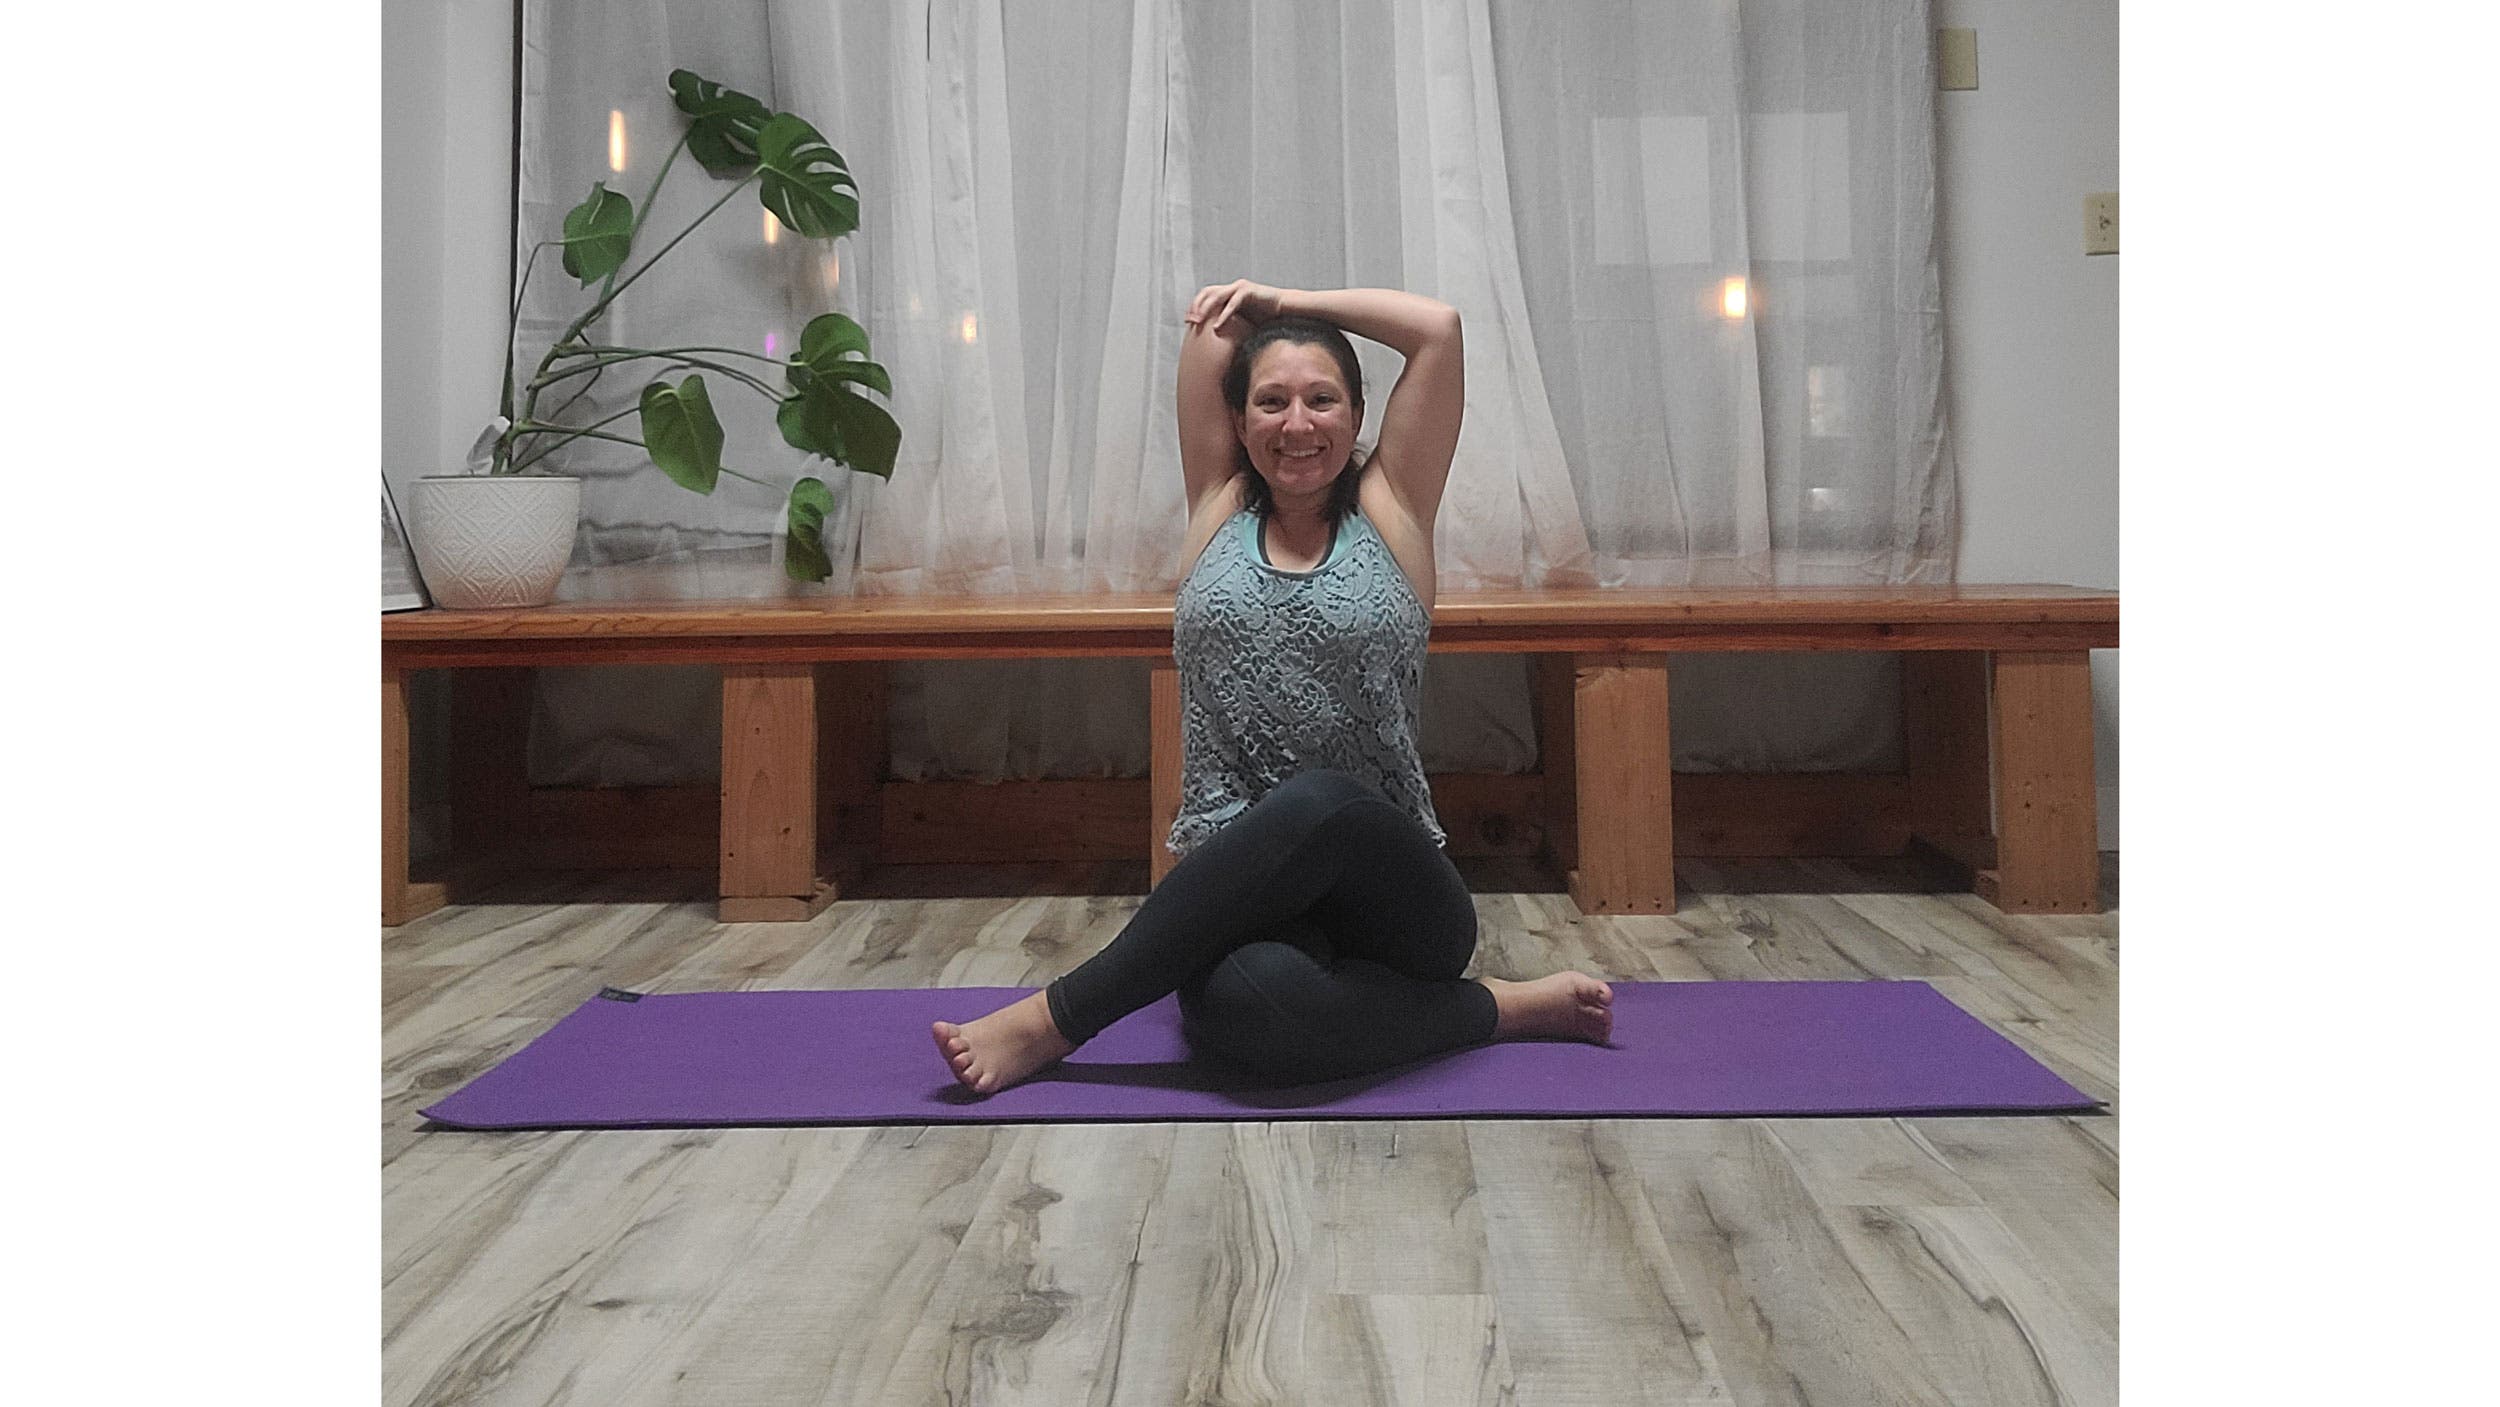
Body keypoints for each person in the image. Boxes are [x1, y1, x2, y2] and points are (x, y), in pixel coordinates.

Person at [933, 281, 1613, 1094]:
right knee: (1255, 1016)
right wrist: (1250, 311)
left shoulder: (1393, 508)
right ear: (1239, 420)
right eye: (1272, 401)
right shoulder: (1214, 503)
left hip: (1394, 897)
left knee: (1317, 800)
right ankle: (1495, 1010)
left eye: (1322, 399)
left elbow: (1438, 331)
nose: (1297, 423)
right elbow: (1213, 329)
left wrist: (1281, 295)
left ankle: (1050, 1021)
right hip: (1238, 894)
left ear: (1358, 416)